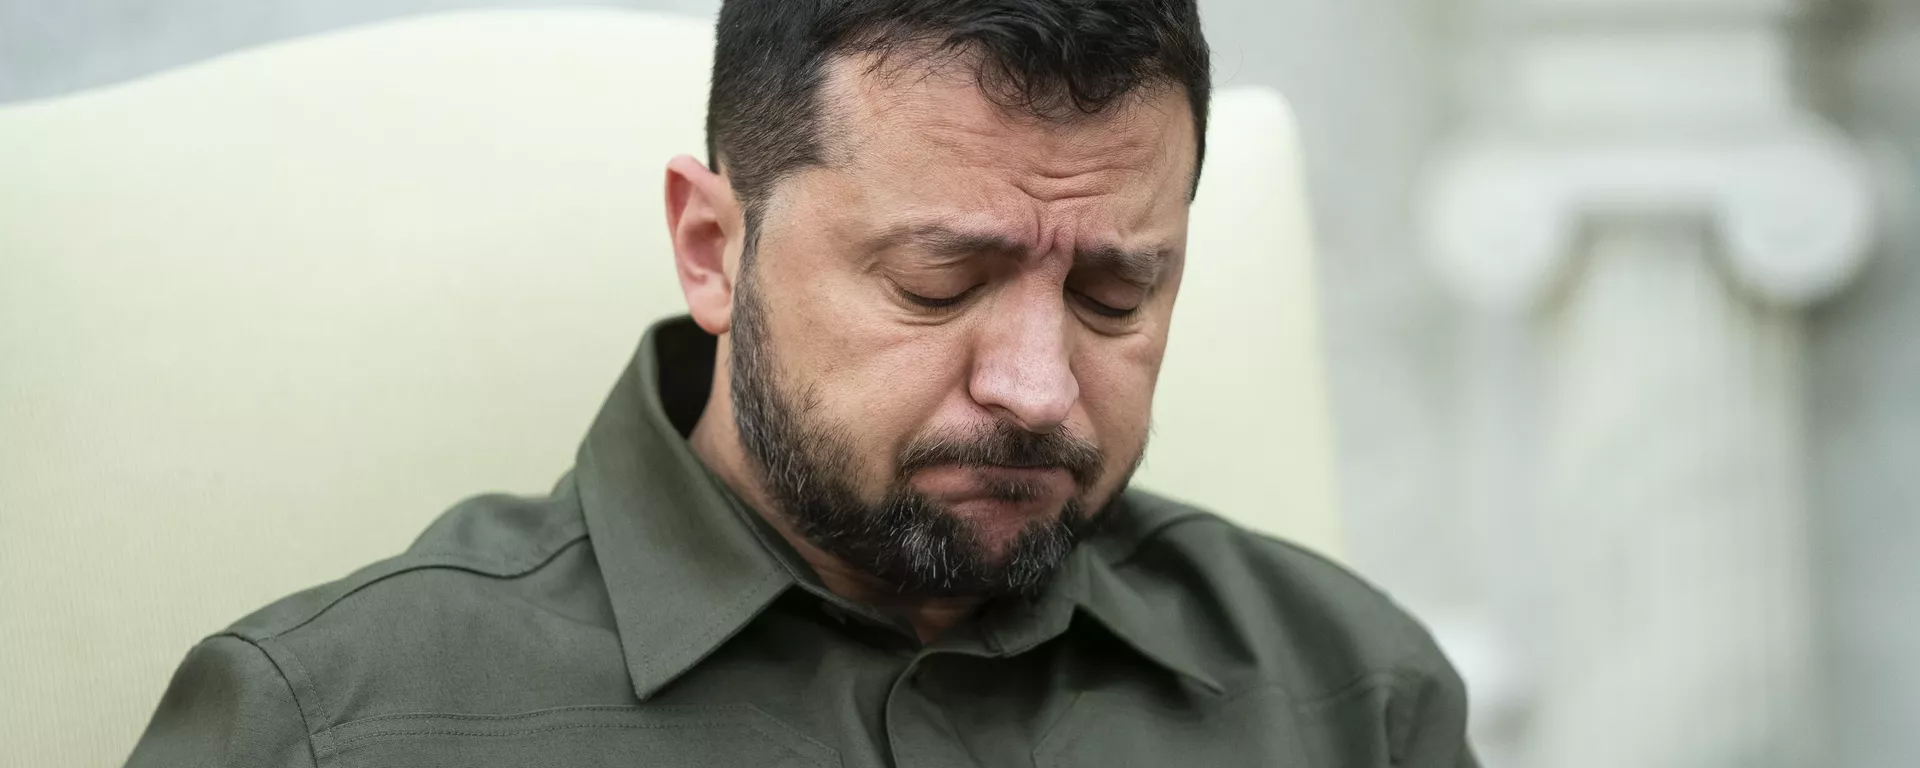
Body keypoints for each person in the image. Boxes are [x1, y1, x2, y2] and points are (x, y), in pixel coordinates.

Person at [126, 1, 1475, 765]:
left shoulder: (1353, 695)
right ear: (714, 250)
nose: (1036, 387)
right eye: (937, 283)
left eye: (1114, 296)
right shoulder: (335, 727)